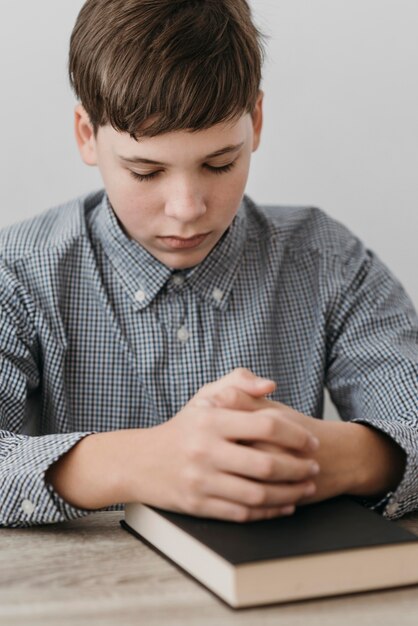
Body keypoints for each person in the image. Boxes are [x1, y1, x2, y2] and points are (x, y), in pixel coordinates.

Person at [0, 0, 417, 529]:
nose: (187, 208)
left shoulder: (329, 261)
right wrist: (142, 462)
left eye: (219, 163)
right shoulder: (17, 272)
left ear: (256, 122)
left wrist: (311, 452)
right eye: (146, 171)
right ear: (87, 135)